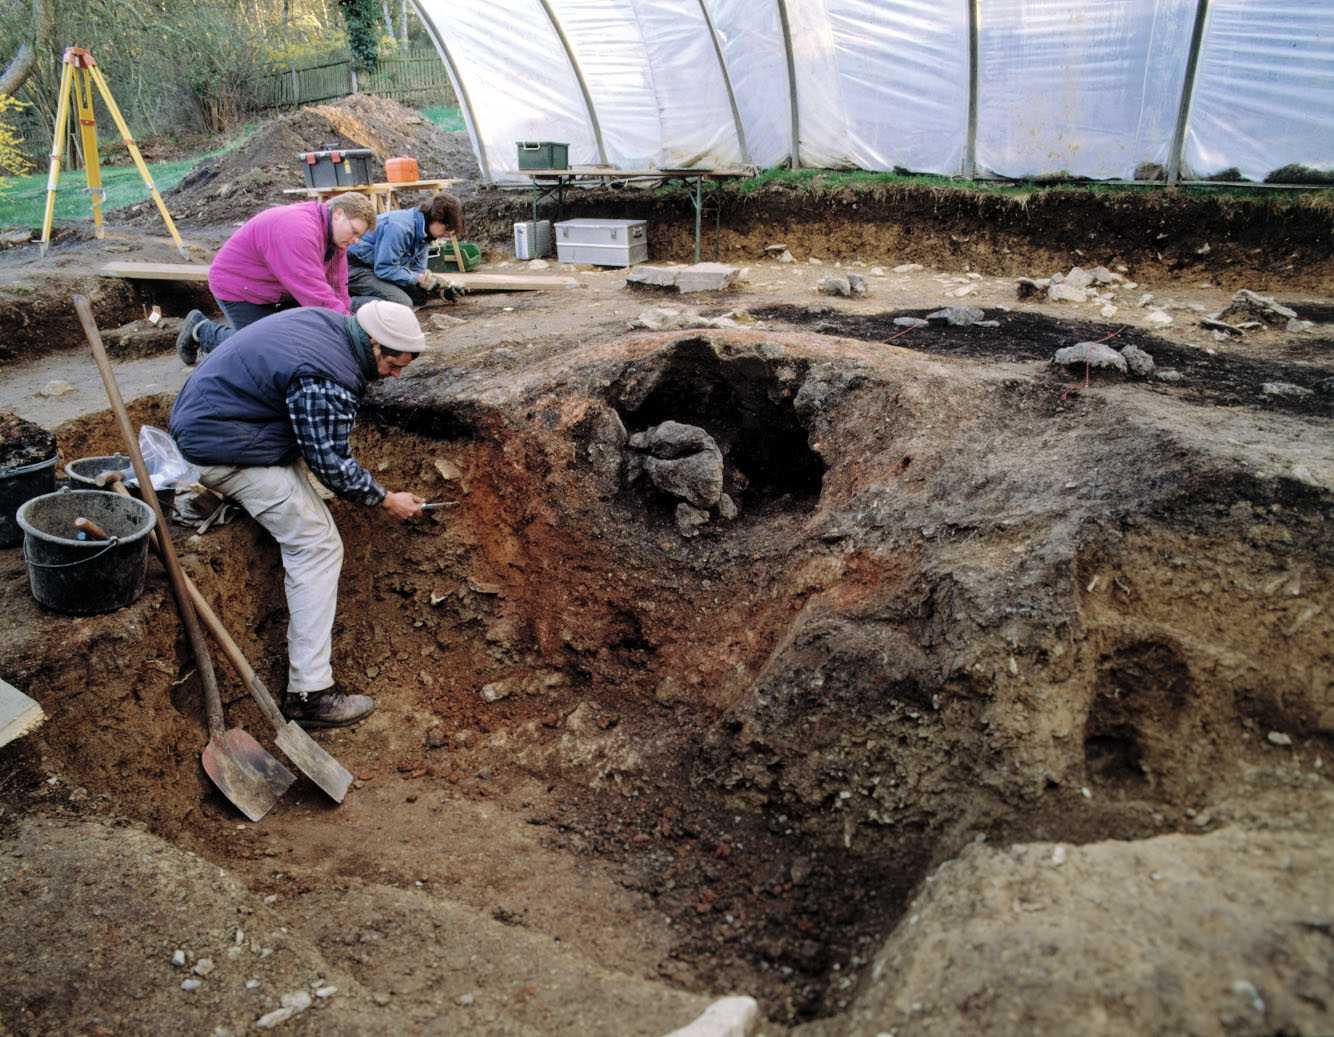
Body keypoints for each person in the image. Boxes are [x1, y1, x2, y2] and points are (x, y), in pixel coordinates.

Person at [169, 300, 428, 727]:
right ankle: (310, 694)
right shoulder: (325, 377)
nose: (395, 376)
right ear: (374, 343)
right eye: (393, 365)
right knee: (317, 544)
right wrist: (384, 498)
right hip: (223, 447)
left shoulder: (328, 325)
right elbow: (327, 460)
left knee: (314, 503)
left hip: (223, 420)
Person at [176, 192, 378, 366]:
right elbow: (315, 293)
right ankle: (201, 330)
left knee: (303, 335)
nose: (355, 240)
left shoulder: (336, 239)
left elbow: (337, 287)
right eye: (354, 232)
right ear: (338, 214)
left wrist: (348, 323)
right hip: (239, 286)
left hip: (277, 288)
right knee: (261, 351)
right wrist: (353, 332)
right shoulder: (297, 230)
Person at [347, 192, 464, 309]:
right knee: (401, 304)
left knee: (419, 297)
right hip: (355, 268)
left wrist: (439, 289)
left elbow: (417, 271)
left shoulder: (425, 232)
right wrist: (418, 278)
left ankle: (361, 293)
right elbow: (384, 268)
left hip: (374, 267)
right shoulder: (400, 228)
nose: (447, 234)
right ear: (436, 218)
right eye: (447, 229)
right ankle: (342, 303)